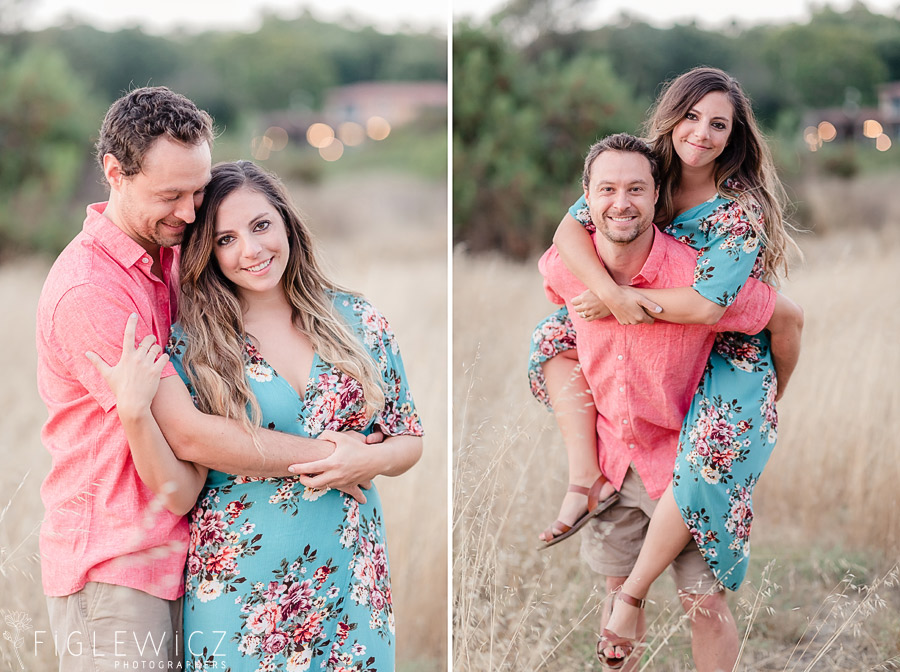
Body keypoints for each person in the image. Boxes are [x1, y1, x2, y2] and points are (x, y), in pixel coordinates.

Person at [36, 87, 390, 671]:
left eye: (198, 190)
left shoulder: (171, 256)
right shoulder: (90, 292)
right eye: (170, 194)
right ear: (114, 173)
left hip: (187, 562)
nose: (189, 211)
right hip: (116, 570)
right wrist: (336, 457)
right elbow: (192, 435)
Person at [89, 160, 424, 670]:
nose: (251, 250)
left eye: (261, 225)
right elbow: (181, 480)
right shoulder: (194, 349)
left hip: (351, 579)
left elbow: (408, 440)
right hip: (240, 590)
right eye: (225, 239)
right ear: (207, 253)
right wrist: (135, 416)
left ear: (287, 222)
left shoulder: (358, 319)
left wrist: (367, 463)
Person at [530, 69, 804, 669]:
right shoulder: (643, 168)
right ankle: (585, 477)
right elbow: (568, 231)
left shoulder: (737, 210)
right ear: (670, 117)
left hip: (727, 345)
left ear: (734, 137)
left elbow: (711, 305)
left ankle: (634, 592)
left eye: (718, 124)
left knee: (711, 443)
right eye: (691, 117)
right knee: (551, 333)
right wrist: (608, 291)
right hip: (651, 329)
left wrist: (622, 303)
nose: (701, 134)